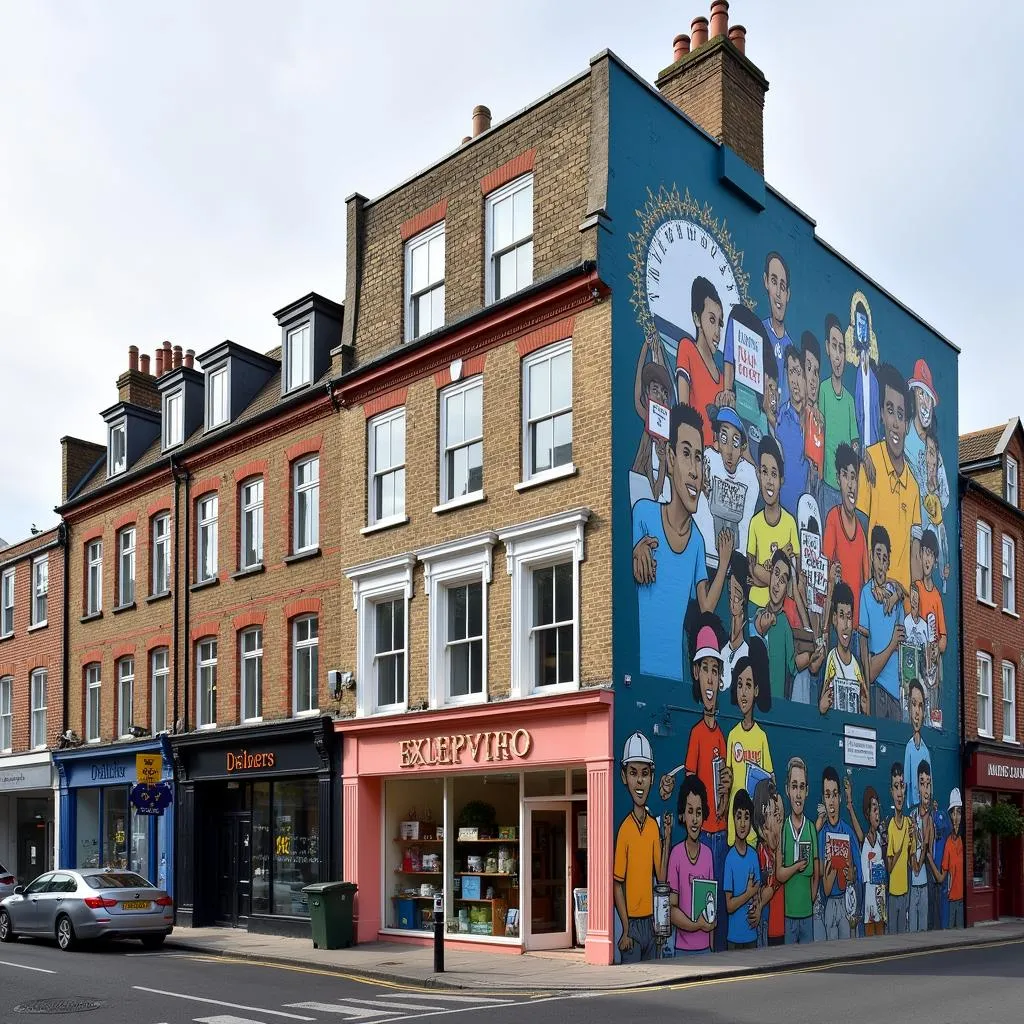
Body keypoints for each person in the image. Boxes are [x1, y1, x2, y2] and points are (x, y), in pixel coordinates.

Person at [633, 404, 735, 680]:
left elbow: (704, 609)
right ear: (670, 457)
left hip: (674, 677)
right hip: (637, 674)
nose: (694, 470)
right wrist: (633, 553)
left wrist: (724, 563)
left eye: (699, 458)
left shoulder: (698, 543)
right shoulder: (643, 515)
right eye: (686, 454)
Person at [858, 364, 923, 592]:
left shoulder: (914, 487)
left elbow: (915, 554)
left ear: (907, 425)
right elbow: (859, 532)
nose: (895, 422)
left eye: (901, 414)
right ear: (881, 415)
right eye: (890, 410)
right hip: (873, 595)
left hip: (901, 605)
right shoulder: (870, 463)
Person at [613, 731, 670, 961]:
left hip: (651, 922)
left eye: (645, 774)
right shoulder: (625, 830)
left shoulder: (653, 828)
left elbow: (661, 876)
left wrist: (666, 840)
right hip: (633, 926)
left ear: (652, 778)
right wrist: (625, 929)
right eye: (633, 773)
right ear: (624, 776)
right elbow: (617, 884)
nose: (639, 781)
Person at [754, 551, 823, 701]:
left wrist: (811, 656)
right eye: (776, 574)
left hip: (776, 703)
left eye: (783, 580)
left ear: (787, 587)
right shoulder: (757, 614)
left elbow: (792, 665)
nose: (777, 583)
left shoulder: (784, 623)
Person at [696, 407, 760, 566]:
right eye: (724, 439)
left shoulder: (750, 475)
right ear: (717, 439)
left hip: (735, 563)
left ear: (743, 447)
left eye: (736, 441)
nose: (730, 450)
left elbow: (745, 522)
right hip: (706, 557)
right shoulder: (708, 460)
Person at [725, 638, 774, 846]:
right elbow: (726, 783)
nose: (743, 692)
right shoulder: (733, 736)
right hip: (733, 831)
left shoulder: (761, 736)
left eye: (748, 685)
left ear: (755, 690)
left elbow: (770, 781)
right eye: (739, 685)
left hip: (756, 833)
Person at [746, 435, 801, 612]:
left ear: (781, 479)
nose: (769, 481)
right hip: (756, 605)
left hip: (780, 610)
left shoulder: (790, 523)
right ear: (758, 474)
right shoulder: (755, 523)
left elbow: (794, 576)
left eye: (774, 474)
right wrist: (778, 574)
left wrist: (764, 574)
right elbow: (752, 571)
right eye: (764, 472)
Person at [859, 525, 906, 722]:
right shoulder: (866, 595)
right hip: (877, 691)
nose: (881, 561)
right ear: (871, 556)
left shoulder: (896, 598)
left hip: (897, 696)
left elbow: (902, 647)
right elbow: (867, 670)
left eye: (885, 558)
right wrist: (892, 645)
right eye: (878, 555)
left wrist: (897, 594)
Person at [666, 774, 716, 955]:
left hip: (706, 949)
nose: (694, 819)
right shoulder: (676, 855)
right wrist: (697, 925)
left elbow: (712, 904)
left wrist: (710, 938)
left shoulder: (708, 855)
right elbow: (671, 909)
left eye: (699, 812)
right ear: (682, 815)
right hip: (682, 950)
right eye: (690, 811)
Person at [822, 444, 870, 628]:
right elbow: (826, 570)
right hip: (837, 624)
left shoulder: (861, 531)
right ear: (837, 479)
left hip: (857, 628)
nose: (850, 485)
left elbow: (866, 584)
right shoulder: (833, 519)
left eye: (854, 477)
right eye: (845, 476)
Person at [818, 313, 860, 519]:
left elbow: (854, 443)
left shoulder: (850, 401)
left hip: (846, 491)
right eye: (834, 347)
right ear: (827, 348)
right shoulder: (822, 390)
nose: (838, 356)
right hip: (827, 484)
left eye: (841, 349)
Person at [676, 277, 727, 445]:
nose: (717, 332)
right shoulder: (687, 349)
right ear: (697, 319)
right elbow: (682, 411)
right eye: (712, 320)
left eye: (720, 323)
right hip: (694, 452)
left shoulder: (723, 379)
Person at [905, 359, 950, 539]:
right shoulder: (902, 437)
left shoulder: (934, 450)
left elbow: (945, 497)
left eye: (929, 398)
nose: (926, 404)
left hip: (927, 543)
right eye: (921, 394)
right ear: (914, 395)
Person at [813, 766, 860, 940]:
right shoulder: (821, 836)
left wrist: (851, 875)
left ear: (839, 797)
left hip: (846, 901)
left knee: (847, 947)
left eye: (834, 795)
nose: (831, 801)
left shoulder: (848, 832)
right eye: (827, 795)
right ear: (823, 800)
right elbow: (823, 885)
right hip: (828, 904)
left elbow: (856, 875)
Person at [630, 339, 675, 505]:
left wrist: (663, 461)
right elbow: (637, 389)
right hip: (643, 496)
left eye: (662, 392)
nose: (658, 395)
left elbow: (658, 493)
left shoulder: (669, 436)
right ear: (647, 393)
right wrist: (644, 349)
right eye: (654, 390)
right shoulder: (647, 418)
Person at [778, 757, 818, 944]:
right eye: (794, 786)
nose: (798, 793)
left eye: (802, 787)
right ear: (787, 790)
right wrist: (796, 867)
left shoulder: (810, 828)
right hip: (788, 914)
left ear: (807, 791)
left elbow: (816, 872)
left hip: (807, 914)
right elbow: (779, 874)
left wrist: (810, 899)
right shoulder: (782, 829)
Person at [818, 581, 868, 716]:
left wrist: (865, 708)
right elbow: (821, 707)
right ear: (834, 619)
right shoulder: (831, 659)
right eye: (841, 616)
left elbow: (866, 712)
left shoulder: (857, 665)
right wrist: (822, 706)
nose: (846, 625)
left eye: (849, 617)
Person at [846, 781, 887, 937]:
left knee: (880, 928)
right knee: (869, 930)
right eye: (874, 810)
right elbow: (853, 819)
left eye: (878, 809)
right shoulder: (864, 839)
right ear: (867, 813)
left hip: (880, 891)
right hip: (868, 893)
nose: (877, 814)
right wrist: (849, 800)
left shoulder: (881, 839)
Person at [916, 529, 948, 726]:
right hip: (918, 660)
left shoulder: (936, 596)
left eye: (931, 555)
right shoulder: (915, 588)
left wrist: (937, 648)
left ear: (935, 561)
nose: (928, 559)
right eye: (925, 553)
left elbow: (943, 637)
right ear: (920, 555)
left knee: (933, 709)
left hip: (933, 664)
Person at [776, 345, 811, 516]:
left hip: (805, 516)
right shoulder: (780, 417)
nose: (794, 381)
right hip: (781, 514)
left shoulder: (815, 422)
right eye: (791, 372)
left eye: (798, 372)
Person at [724, 790, 761, 950]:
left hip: (752, 934)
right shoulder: (730, 858)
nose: (743, 823)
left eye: (746, 817)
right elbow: (729, 906)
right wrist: (748, 893)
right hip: (734, 938)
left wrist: (758, 911)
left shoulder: (753, 855)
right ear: (733, 818)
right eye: (739, 817)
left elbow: (757, 892)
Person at [750, 778, 785, 947]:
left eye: (779, 817)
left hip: (782, 925)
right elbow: (767, 887)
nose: (778, 823)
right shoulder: (761, 854)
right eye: (774, 815)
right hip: (768, 926)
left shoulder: (780, 849)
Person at [761, 252, 795, 408]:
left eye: (783, 286)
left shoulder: (792, 350)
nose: (779, 294)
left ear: (788, 294)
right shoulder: (758, 332)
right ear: (766, 281)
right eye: (774, 282)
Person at [909, 760, 935, 932]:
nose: (925, 789)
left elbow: (928, 848)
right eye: (922, 783)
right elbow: (910, 845)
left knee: (923, 927)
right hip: (911, 882)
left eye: (928, 784)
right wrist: (914, 863)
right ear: (917, 787)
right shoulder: (911, 815)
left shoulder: (930, 820)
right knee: (912, 927)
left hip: (924, 882)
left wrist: (919, 864)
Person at [720, 553, 751, 697]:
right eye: (730, 592)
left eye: (737, 594)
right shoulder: (723, 652)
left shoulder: (747, 654)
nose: (733, 600)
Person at [886, 762, 912, 934]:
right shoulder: (890, 826)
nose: (900, 793)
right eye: (896, 787)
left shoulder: (910, 824)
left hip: (906, 893)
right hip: (893, 893)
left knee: (902, 933)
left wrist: (916, 838)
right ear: (891, 792)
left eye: (902, 786)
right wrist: (900, 848)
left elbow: (913, 863)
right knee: (892, 935)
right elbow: (889, 867)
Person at [851, 300, 881, 448]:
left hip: (873, 445)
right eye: (859, 325)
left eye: (864, 326)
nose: (861, 331)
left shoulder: (874, 380)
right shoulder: (853, 373)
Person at [802, 332, 826, 493]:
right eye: (809, 368)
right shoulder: (797, 413)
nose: (813, 378)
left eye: (816, 372)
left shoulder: (820, 420)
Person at [904, 680, 932, 807]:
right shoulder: (908, 747)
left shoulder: (926, 750)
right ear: (908, 707)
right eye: (914, 704)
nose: (917, 712)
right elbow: (906, 784)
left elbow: (930, 788)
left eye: (920, 706)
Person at [940, 789, 964, 929]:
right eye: (953, 813)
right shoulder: (948, 843)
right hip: (952, 900)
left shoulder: (963, 841)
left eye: (959, 812)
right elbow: (942, 876)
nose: (956, 817)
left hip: (963, 900)